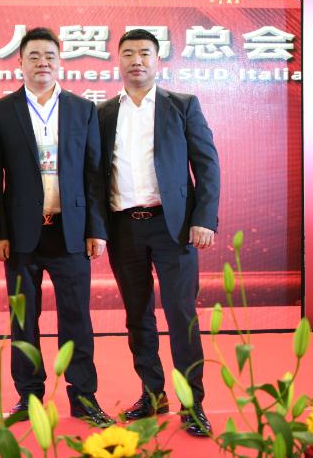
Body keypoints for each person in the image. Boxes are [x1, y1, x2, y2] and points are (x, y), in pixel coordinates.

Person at [0, 27, 112, 427]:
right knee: (23, 320)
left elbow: (94, 174)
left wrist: (96, 228)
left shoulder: (82, 109)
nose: (42, 63)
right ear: (20, 62)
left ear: (60, 62)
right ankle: (28, 396)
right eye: (34, 56)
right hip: (21, 235)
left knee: (77, 318)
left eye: (49, 56)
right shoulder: (0, 111)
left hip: (69, 230)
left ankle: (84, 397)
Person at [98, 28, 220, 437]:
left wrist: (204, 219)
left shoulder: (182, 106)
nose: (136, 60)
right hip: (123, 228)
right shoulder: (103, 113)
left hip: (174, 228)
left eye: (144, 53)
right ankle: (152, 394)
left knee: (182, 316)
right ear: (118, 60)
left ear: (157, 60)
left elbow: (207, 165)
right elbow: (95, 175)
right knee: (138, 317)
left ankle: (192, 403)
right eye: (128, 53)